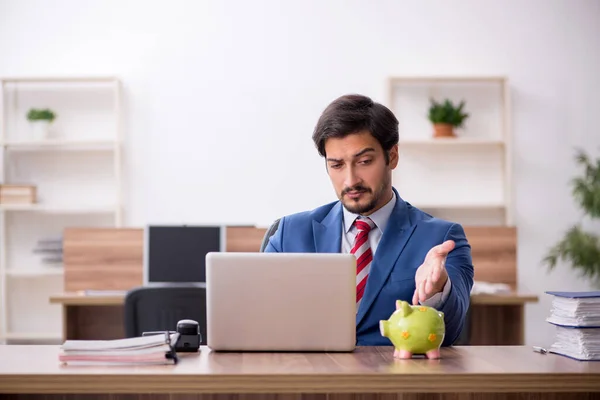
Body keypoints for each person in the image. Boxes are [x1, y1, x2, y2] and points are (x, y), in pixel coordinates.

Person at [264, 94, 474, 349]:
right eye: (337, 165)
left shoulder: (442, 239)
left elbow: (451, 333)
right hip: (309, 378)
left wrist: (437, 291)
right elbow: (260, 319)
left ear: (392, 156)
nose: (350, 180)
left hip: (395, 382)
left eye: (364, 162)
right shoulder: (289, 233)